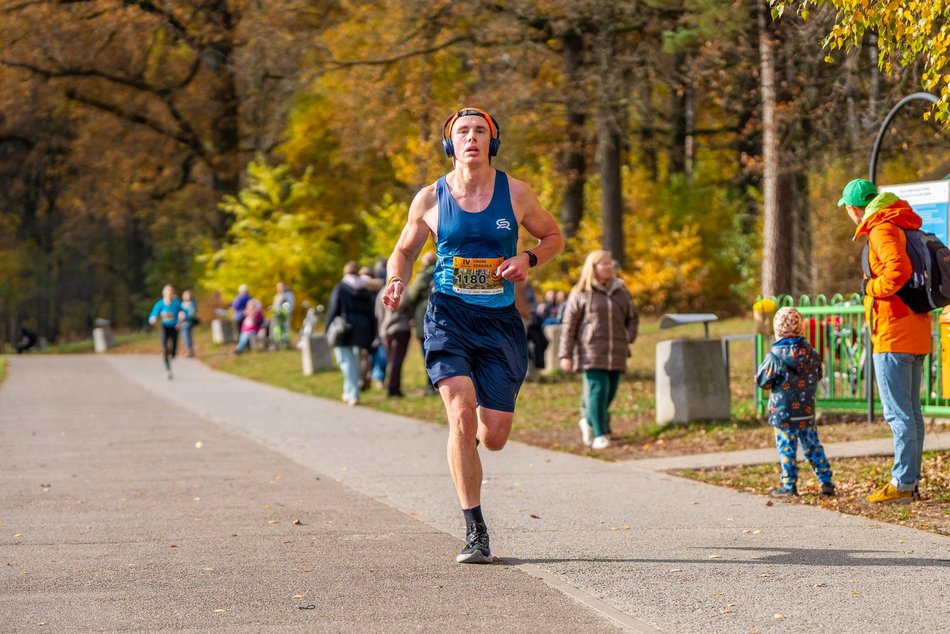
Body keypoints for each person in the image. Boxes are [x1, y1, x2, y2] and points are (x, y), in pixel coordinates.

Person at [382, 106, 564, 564]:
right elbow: (402, 251)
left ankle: (468, 446)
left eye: (480, 131)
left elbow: (554, 237)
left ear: (492, 141)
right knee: (461, 417)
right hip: (448, 319)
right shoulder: (429, 198)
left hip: (500, 323)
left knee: (494, 435)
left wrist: (529, 259)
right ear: (450, 143)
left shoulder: (517, 193)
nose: (471, 138)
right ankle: (475, 531)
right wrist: (396, 281)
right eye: (462, 132)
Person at [841, 178, 931, 504]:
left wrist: (870, 288)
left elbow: (898, 270)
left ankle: (903, 484)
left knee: (898, 415)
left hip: (893, 334)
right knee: (911, 414)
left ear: (855, 209)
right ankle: (910, 480)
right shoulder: (902, 224)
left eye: (848, 210)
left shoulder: (881, 229)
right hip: (915, 330)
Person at [557, 251, 639, 450]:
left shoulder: (621, 291)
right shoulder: (581, 293)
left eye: (610, 264)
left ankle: (589, 421)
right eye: (604, 264)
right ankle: (600, 435)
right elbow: (569, 326)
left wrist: (628, 336)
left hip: (617, 350)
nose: (608, 267)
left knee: (609, 393)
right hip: (591, 350)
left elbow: (633, 317)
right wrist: (565, 355)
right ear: (592, 268)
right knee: (598, 391)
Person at [755, 307, 836, 497]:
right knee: (813, 446)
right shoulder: (812, 354)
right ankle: (826, 482)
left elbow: (763, 381)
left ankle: (789, 484)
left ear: (777, 330)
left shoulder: (774, 356)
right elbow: (818, 375)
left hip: (783, 413)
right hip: (806, 410)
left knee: (787, 448)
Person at [326, 262, 378, 406]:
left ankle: (352, 393)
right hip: (362, 329)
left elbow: (333, 309)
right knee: (354, 361)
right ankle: (348, 390)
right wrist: (372, 333)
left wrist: (327, 328)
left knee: (345, 361)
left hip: (344, 329)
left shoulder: (341, 288)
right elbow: (371, 313)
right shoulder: (365, 290)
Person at [375, 279, 413, 397]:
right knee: (397, 360)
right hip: (401, 328)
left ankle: (392, 386)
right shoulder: (404, 291)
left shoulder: (382, 291)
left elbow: (378, 313)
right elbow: (409, 310)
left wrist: (382, 329)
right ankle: (393, 388)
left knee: (391, 360)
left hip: (386, 330)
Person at [407, 251, 438, 394]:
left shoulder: (422, 276)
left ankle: (430, 386)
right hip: (444, 317)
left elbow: (411, 297)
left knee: (426, 353)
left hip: (424, 318)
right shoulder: (443, 271)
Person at [148, 284, 184, 379]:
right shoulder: (159, 304)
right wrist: (153, 319)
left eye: (170, 292)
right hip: (164, 328)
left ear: (173, 294)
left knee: (174, 348)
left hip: (174, 327)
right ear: (163, 293)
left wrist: (181, 316)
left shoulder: (176, 303)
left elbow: (182, 311)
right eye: (167, 291)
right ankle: (168, 370)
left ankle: (172, 354)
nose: (169, 294)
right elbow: (154, 313)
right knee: (164, 349)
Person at [180, 289, 197, 357]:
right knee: (185, 337)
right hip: (182, 323)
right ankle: (188, 350)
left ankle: (189, 351)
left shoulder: (190, 304)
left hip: (187, 322)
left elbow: (192, 313)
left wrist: (185, 316)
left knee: (186, 337)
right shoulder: (182, 304)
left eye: (187, 295)